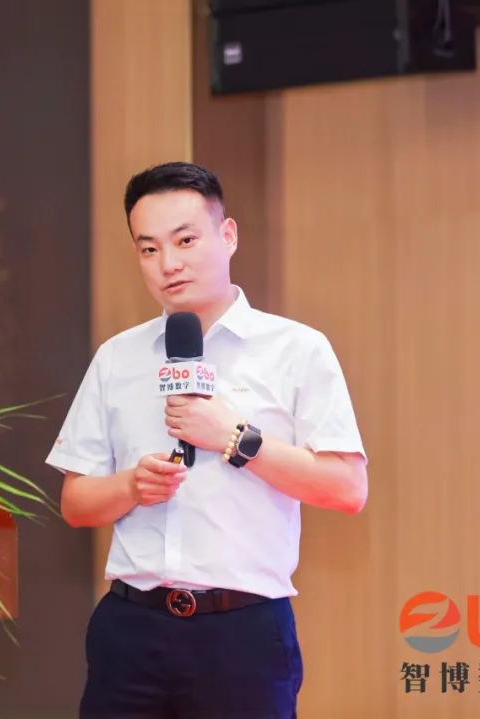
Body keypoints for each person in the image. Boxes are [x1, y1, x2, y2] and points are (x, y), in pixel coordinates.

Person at [46, 162, 368, 718]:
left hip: (241, 634)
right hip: (131, 630)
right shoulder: (117, 358)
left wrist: (236, 439)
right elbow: (76, 503)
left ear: (228, 235)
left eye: (186, 240)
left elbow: (347, 488)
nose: (168, 264)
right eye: (149, 249)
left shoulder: (296, 349)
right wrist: (132, 486)